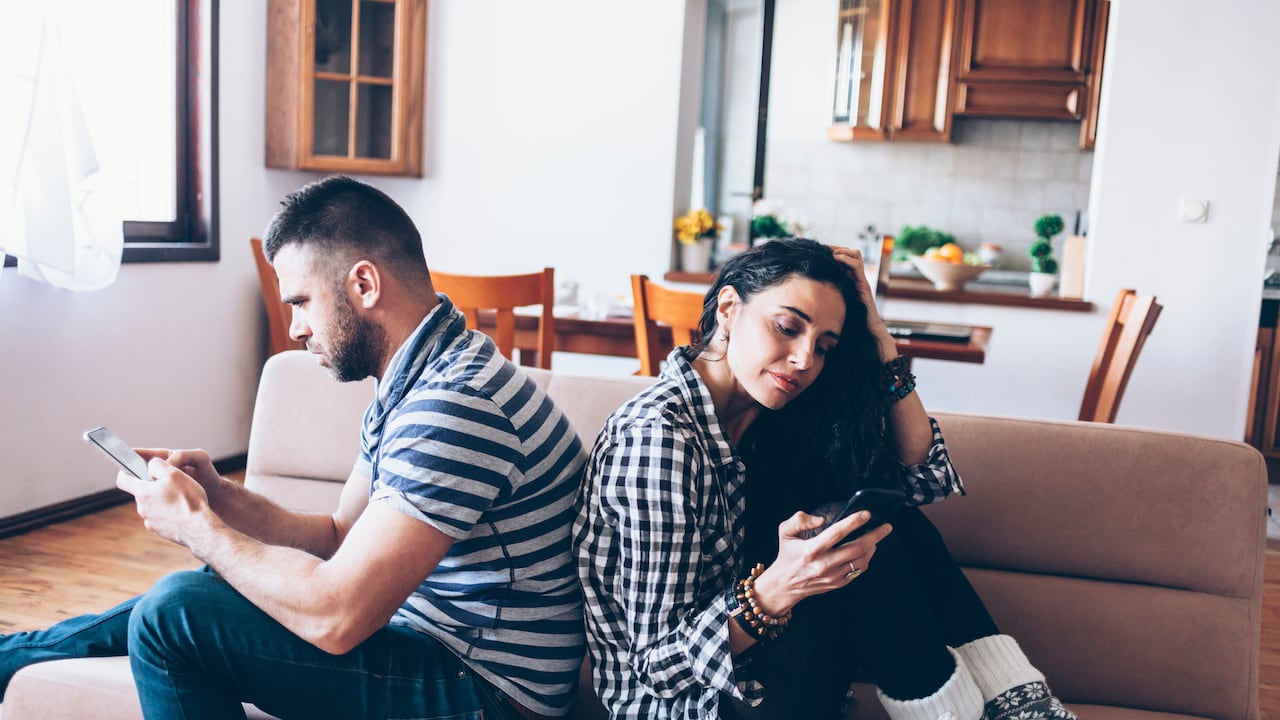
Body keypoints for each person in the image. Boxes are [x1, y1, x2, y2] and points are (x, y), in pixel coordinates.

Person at [0, 176, 588, 720]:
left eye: (301, 302)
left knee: (175, 613)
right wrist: (223, 498)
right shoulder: (416, 380)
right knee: (217, 583)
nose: (296, 329)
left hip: (487, 688)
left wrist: (198, 527)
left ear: (364, 283)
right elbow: (339, 536)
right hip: (431, 639)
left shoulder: (457, 404)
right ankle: (9, 657)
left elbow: (337, 615)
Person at [573, 238, 1074, 720]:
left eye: (825, 345)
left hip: (765, 676)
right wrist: (777, 588)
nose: (804, 359)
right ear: (728, 308)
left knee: (887, 521)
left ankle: (1021, 707)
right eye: (787, 327)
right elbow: (657, 667)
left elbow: (924, 481)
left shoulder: (771, 418)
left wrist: (878, 335)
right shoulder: (659, 442)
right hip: (693, 706)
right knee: (856, 538)